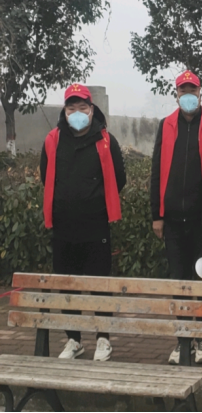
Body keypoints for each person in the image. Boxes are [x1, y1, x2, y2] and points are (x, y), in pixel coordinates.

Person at [40, 84, 126, 361]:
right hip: (63, 227)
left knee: (100, 283)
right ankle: (74, 339)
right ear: (64, 111)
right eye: (71, 108)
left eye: (82, 107)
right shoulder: (53, 140)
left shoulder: (106, 140)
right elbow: (45, 176)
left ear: (91, 109)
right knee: (67, 285)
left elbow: (119, 178)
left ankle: (103, 338)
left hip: (96, 226)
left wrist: (96, 200)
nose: (77, 112)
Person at [150, 70, 202, 365]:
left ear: (200, 93)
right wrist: (157, 215)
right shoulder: (166, 125)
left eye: (192, 90)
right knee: (178, 281)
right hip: (172, 221)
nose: (188, 95)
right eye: (183, 91)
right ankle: (182, 340)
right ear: (177, 94)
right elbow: (157, 170)